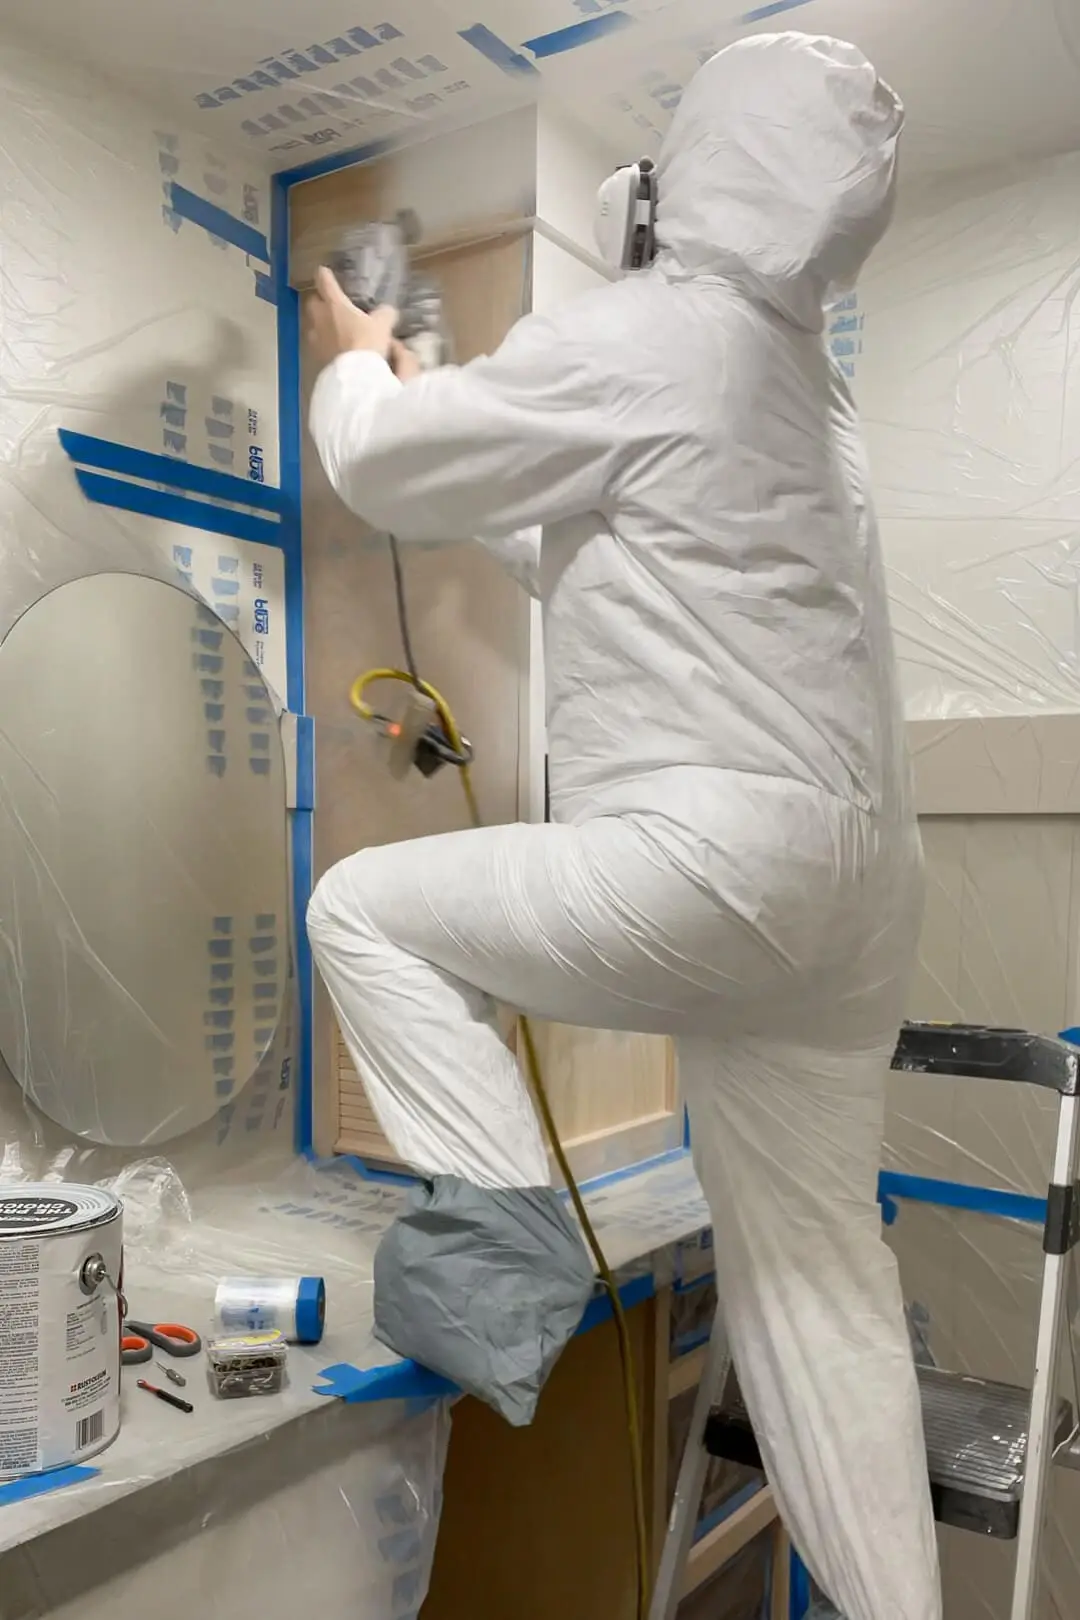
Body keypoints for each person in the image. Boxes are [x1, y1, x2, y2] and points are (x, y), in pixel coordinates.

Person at [304, 30, 941, 1620]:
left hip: (721, 866)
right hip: (853, 911)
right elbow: (609, 538)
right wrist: (464, 394)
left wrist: (357, 359)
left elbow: (384, 471)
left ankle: (510, 1257)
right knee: (816, 1293)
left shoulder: (663, 332)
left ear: (710, 167)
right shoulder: (812, 390)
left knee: (360, 911)